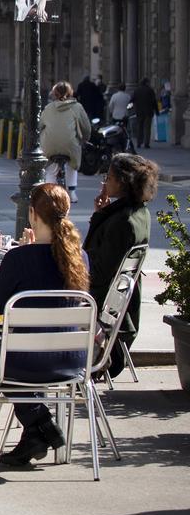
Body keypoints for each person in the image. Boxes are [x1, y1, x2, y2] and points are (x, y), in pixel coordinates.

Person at [0, 184, 90, 467]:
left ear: (32, 215)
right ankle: (33, 433)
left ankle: (41, 424)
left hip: (26, 358)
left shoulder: (18, 258)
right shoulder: (79, 257)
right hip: (73, 359)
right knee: (16, 357)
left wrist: (3, 287)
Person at [84, 153, 157, 377]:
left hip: (100, 301)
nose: (105, 182)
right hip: (118, 304)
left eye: (109, 177)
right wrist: (101, 213)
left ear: (121, 182)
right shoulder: (139, 213)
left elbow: (100, 273)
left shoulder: (122, 221)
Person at [38, 80, 92, 203]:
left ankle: (49, 193)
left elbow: (39, 126)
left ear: (54, 94)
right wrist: (85, 138)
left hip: (49, 145)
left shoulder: (48, 108)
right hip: (70, 145)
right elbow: (86, 127)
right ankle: (72, 192)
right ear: (70, 92)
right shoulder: (77, 107)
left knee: (51, 168)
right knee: (72, 165)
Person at [131, 78, 158, 149]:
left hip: (139, 112)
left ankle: (139, 142)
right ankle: (146, 143)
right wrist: (157, 111)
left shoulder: (136, 90)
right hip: (148, 112)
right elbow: (154, 101)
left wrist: (132, 107)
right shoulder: (150, 90)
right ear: (146, 83)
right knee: (147, 128)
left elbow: (132, 100)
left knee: (139, 127)